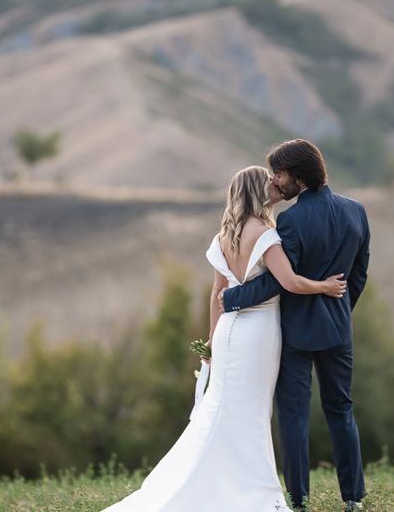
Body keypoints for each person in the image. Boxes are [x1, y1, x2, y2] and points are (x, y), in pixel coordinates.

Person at [102, 164, 346, 512]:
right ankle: (249, 489)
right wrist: (325, 286)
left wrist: (212, 344)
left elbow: (217, 295)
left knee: (227, 405)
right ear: (258, 191)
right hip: (259, 332)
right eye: (270, 182)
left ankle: (225, 481)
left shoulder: (224, 236)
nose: (276, 185)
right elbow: (290, 282)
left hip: (231, 331)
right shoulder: (265, 234)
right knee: (251, 410)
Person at [220, 139, 370, 511]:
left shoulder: (292, 220)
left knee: (294, 416)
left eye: (280, 174)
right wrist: (339, 309)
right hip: (338, 329)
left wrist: (231, 298)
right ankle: (353, 499)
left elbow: (278, 279)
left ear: (298, 177)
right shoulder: (356, 210)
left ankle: (299, 500)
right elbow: (359, 273)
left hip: (296, 332)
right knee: (341, 411)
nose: (276, 180)